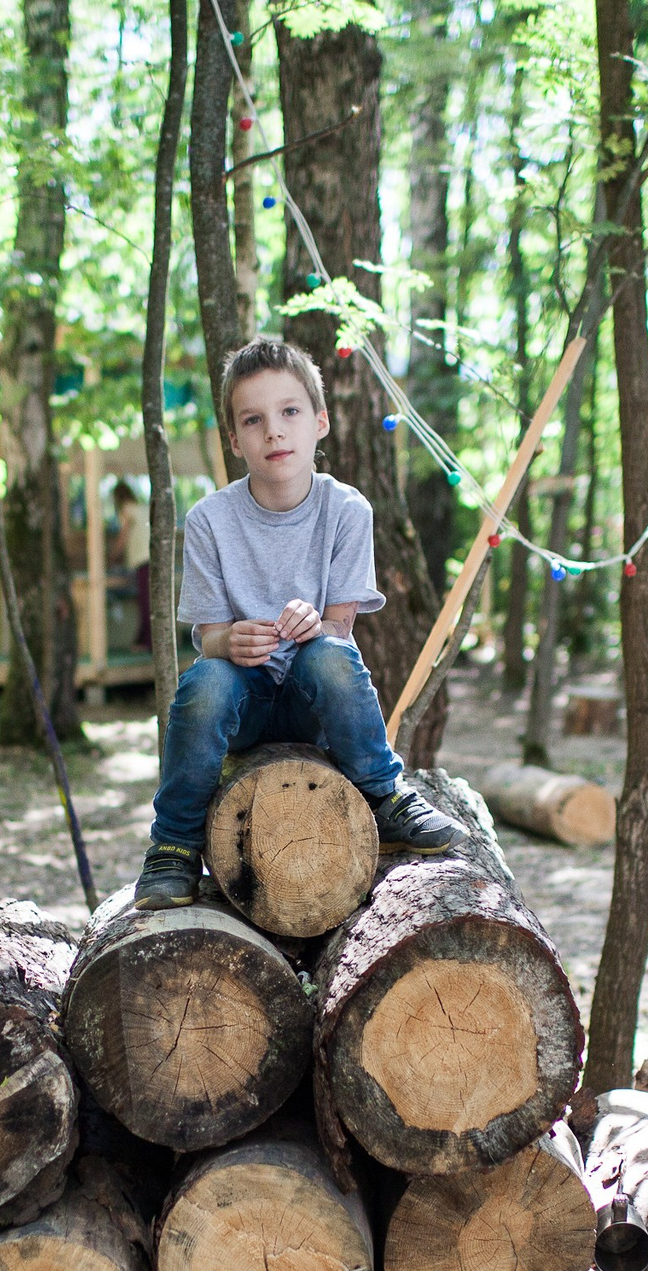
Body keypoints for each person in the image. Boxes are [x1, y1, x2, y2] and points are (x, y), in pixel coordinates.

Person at [134, 337, 463, 909]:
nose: (275, 432)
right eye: (254, 420)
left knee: (329, 657)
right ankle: (174, 844)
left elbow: (341, 631)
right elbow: (208, 638)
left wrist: (317, 623)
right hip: (246, 700)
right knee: (204, 682)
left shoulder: (348, 511)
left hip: (314, 703)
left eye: (290, 412)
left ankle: (385, 795)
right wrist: (229, 640)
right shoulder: (210, 521)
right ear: (235, 440)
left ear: (321, 422)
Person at [114, 481, 152, 649]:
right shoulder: (142, 508)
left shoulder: (127, 510)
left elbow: (123, 537)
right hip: (153, 556)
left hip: (143, 559)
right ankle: (143, 638)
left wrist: (113, 555)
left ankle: (147, 640)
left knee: (145, 601)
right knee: (148, 600)